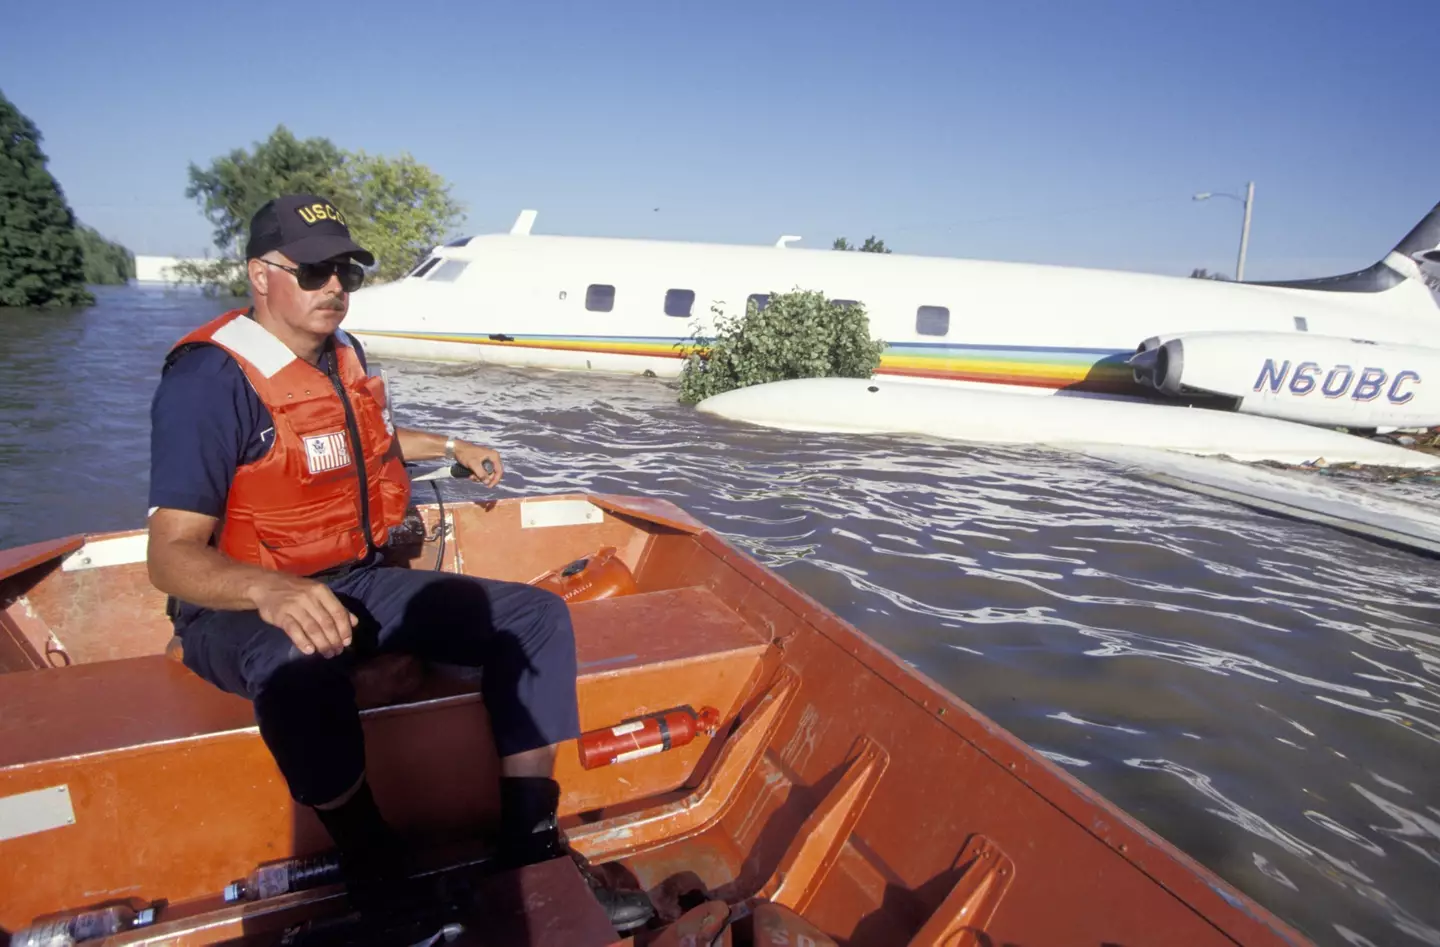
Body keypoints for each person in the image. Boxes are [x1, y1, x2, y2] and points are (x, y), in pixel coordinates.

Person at [145, 194, 651, 927]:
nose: (335, 287)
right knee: (297, 661)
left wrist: (450, 445)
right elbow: (170, 555)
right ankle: (373, 864)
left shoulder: (342, 354)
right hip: (235, 603)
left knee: (535, 618)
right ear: (260, 274)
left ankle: (529, 843)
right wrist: (270, 591)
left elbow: (364, 436)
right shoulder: (208, 381)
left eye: (344, 270)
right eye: (314, 270)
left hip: (354, 579)